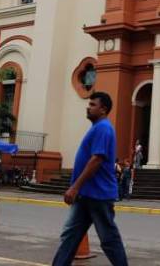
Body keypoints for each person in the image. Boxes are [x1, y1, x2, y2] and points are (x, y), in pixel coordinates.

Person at [52, 92, 128, 266]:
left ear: (103, 109)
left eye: (93, 105)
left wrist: (75, 187)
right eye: (89, 104)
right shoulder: (97, 127)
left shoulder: (103, 128)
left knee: (108, 239)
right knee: (70, 236)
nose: (88, 107)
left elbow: (97, 160)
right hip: (86, 195)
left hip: (98, 194)